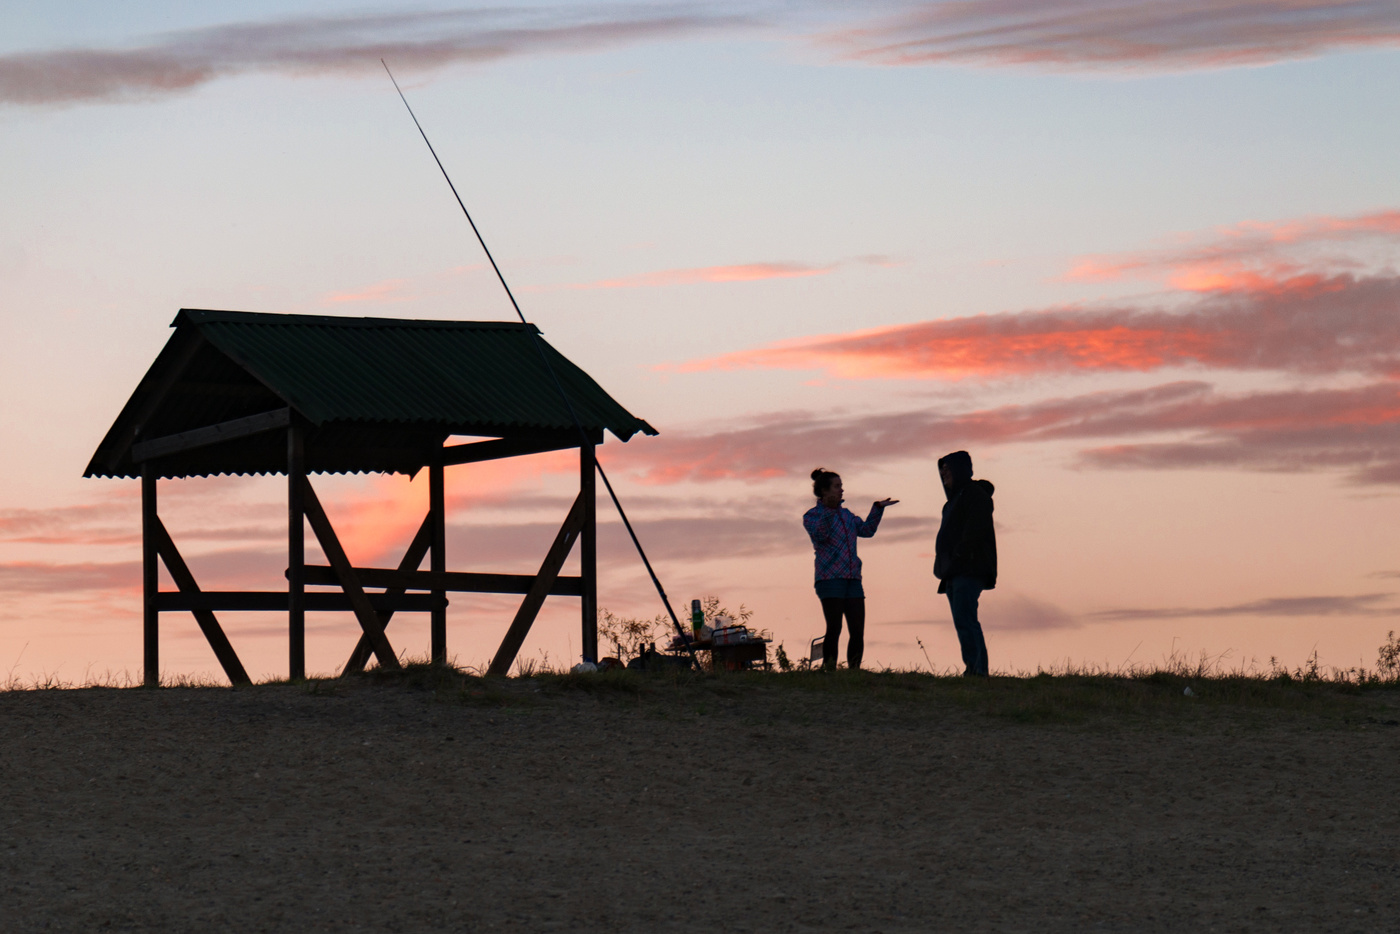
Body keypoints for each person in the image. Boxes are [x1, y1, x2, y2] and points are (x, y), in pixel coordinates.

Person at [803, 468, 898, 671]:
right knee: (834, 628)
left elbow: (867, 531)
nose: (841, 491)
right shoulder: (811, 516)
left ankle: (853, 672)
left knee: (857, 630)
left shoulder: (846, 515)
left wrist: (877, 508)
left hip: (853, 579)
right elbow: (820, 534)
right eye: (837, 486)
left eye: (841, 486)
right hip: (829, 579)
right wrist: (829, 511)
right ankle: (830, 670)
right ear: (824, 490)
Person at [933, 451, 996, 676]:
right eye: (942, 471)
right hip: (954, 570)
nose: (944, 475)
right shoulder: (952, 502)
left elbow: (974, 532)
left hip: (969, 569)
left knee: (966, 619)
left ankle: (977, 670)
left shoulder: (974, 495)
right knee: (963, 620)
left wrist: (959, 554)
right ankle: (974, 669)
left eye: (948, 470)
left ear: (959, 470)